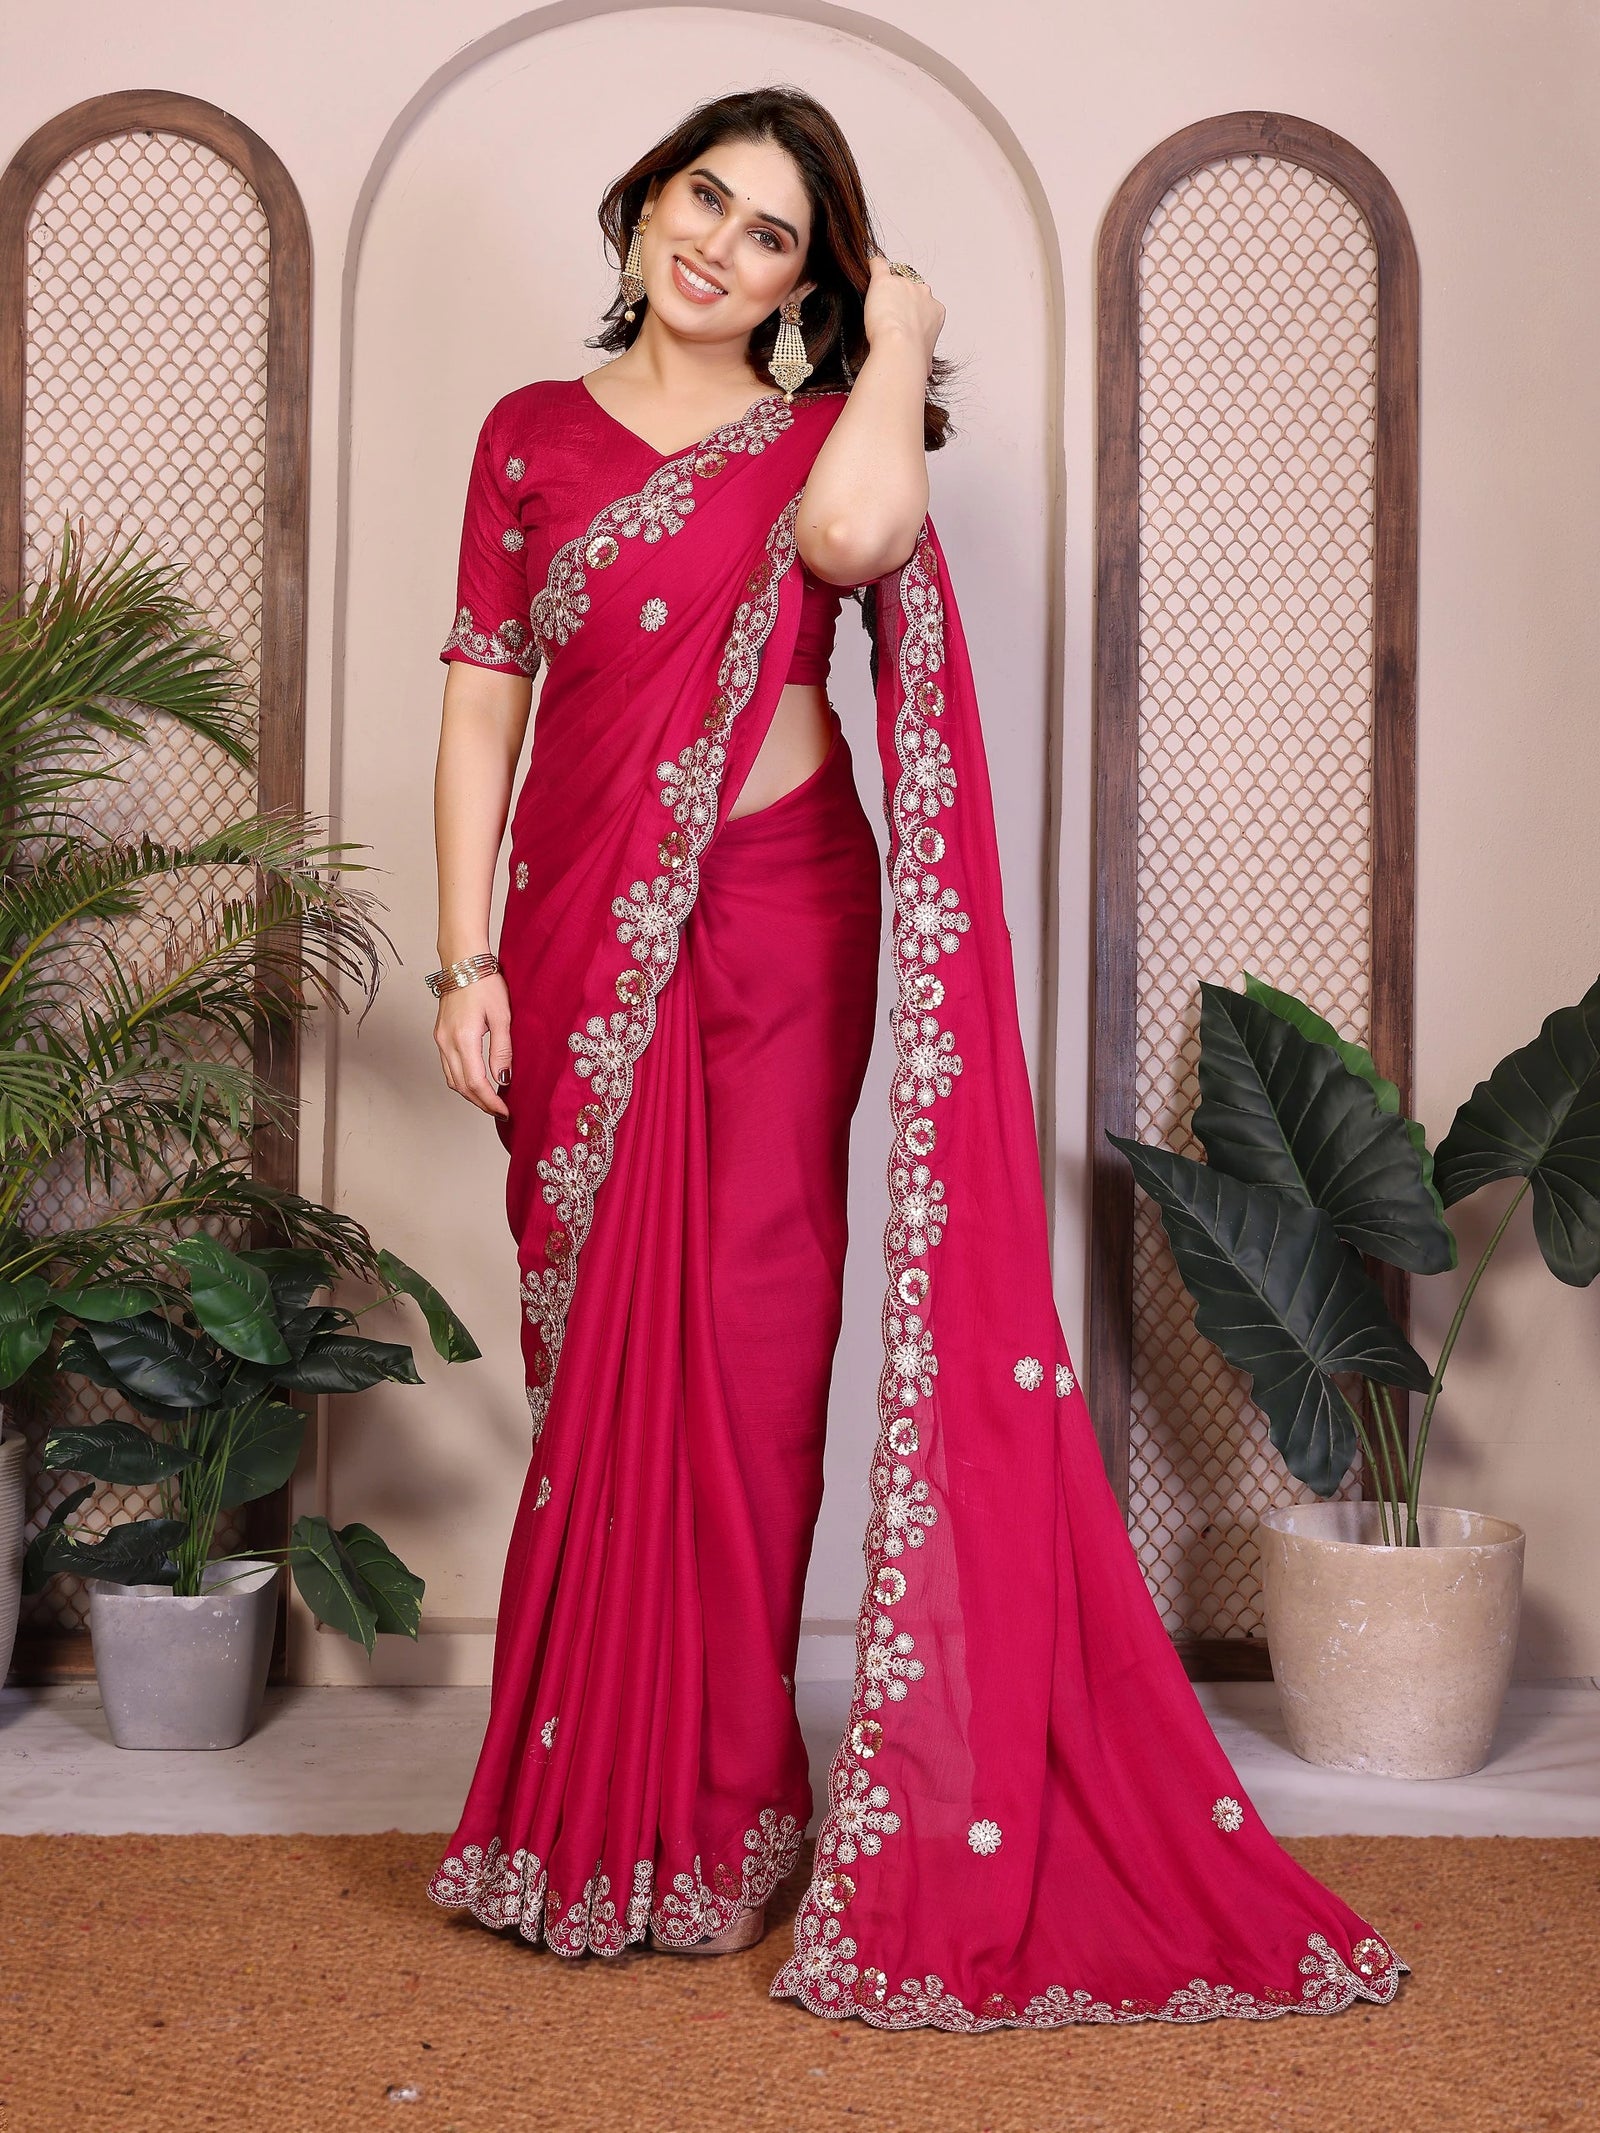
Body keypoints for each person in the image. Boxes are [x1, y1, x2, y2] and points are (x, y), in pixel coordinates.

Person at [423, 86, 1410, 2030]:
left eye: (772, 231)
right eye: (701, 195)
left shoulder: (815, 429)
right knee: (619, 1354)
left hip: (782, 926)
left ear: (813, 277)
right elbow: (478, 709)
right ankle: (575, 1807)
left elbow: (857, 532)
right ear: (640, 198)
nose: (714, 242)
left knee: (750, 1349)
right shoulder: (524, 438)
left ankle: (712, 1811)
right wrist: (467, 956)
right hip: (570, 931)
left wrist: (907, 329)